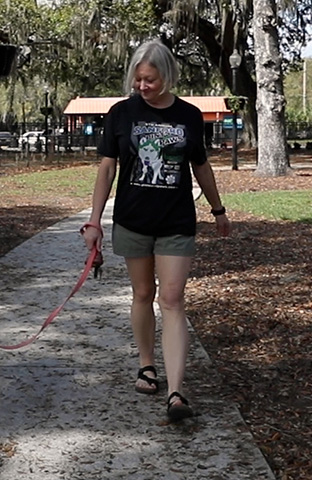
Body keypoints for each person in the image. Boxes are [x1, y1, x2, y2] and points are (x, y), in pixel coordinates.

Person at [81, 39, 231, 422]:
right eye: (138, 79)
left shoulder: (189, 116)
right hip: (132, 219)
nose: (142, 86)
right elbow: (106, 169)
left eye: (150, 79)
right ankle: (147, 364)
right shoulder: (121, 113)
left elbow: (200, 166)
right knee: (143, 293)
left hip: (176, 221)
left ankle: (177, 391)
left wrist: (218, 210)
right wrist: (94, 221)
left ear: (167, 75)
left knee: (174, 299)